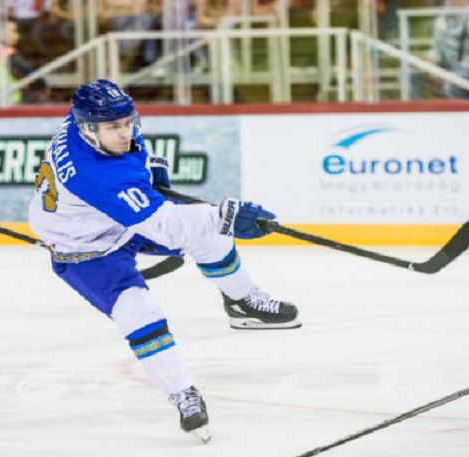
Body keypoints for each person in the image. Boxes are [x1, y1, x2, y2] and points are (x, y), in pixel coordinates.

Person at [28, 79, 299, 441]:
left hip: (111, 220)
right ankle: (182, 392)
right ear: (89, 129)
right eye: (114, 127)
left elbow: (130, 145)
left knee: (210, 235)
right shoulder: (98, 176)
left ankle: (242, 301)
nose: (125, 133)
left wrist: (151, 164)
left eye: (128, 122)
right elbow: (167, 228)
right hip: (85, 249)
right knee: (137, 309)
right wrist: (226, 215)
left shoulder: (85, 121)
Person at [427, 0, 469, 99]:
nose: (453, 1)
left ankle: (462, 108)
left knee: (451, 84)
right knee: (412, 77)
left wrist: (450, 74)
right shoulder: (440, 21)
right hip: (446, 69)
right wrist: (432, 69)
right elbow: (435, 50)